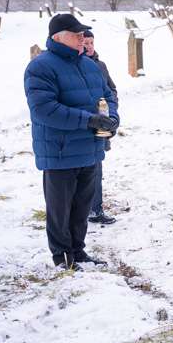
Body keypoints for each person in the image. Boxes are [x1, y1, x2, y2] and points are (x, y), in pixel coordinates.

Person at [24, 14, 119, 271]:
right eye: (76, 35)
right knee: (60, 210)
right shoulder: (41, 67)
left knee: (81, 208)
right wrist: (89, 120)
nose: (82, 39)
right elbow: (44, 109)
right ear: (57, 37)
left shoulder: (89, 65)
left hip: (89, 149)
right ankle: (63, 257)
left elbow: (108, 95)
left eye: (83, 35)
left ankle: (78, 251)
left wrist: (112, 118)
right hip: (60, 152)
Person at [82, 30, 118, 225]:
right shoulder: (75, 66)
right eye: (85, 42)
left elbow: (111, 89)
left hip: (101, 123)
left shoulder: (100, 66)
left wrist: (110, 109)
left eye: (92, 42)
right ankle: (81, 210)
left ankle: (95, 210)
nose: (89, 46)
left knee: (97, 167)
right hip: (84, 122)